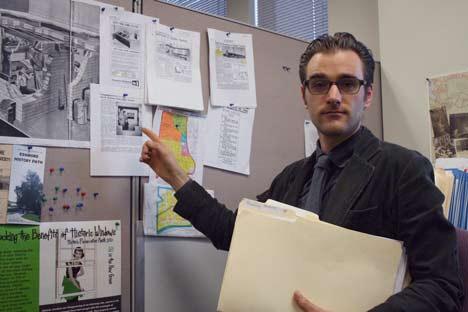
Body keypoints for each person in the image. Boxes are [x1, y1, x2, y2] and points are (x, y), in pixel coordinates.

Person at [140, 32, 463, 311]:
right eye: (320, 84)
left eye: (348, 84)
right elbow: (233, 232)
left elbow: (442, 285)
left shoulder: (402, 169)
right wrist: (175, 176)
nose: (334, 96)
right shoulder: (292, 178)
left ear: (367, 95)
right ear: (304, 95)